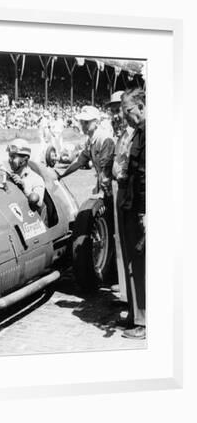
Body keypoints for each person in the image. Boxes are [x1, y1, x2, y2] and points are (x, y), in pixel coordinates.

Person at [118, 87, 146, 340]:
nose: (124, 115)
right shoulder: (138, 131)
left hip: (141, 208)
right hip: (133, 204)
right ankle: (138, 316)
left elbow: (148, 176)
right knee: (135, 263)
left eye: (127, 110)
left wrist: (147, 211)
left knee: (141, 264)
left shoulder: (148, 132)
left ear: (141, 106)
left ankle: (144, 322)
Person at [59, 105, 115, 197]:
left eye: (86, 122)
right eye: (81, 122)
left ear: (96, 122)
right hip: (103, 186)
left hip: (112, 188)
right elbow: (79, 161)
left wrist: (101, 194)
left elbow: (106, 170)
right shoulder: (90, 140)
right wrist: (62, 174)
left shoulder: (104, 139)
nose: (83, 126)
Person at [6, 138, 45, 210]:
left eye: (13, 157)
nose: (10, 160)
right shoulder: (8, 177)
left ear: (24, 160)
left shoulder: (36, 179)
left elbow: (38, 203)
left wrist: (24, 188)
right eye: (9, 156)